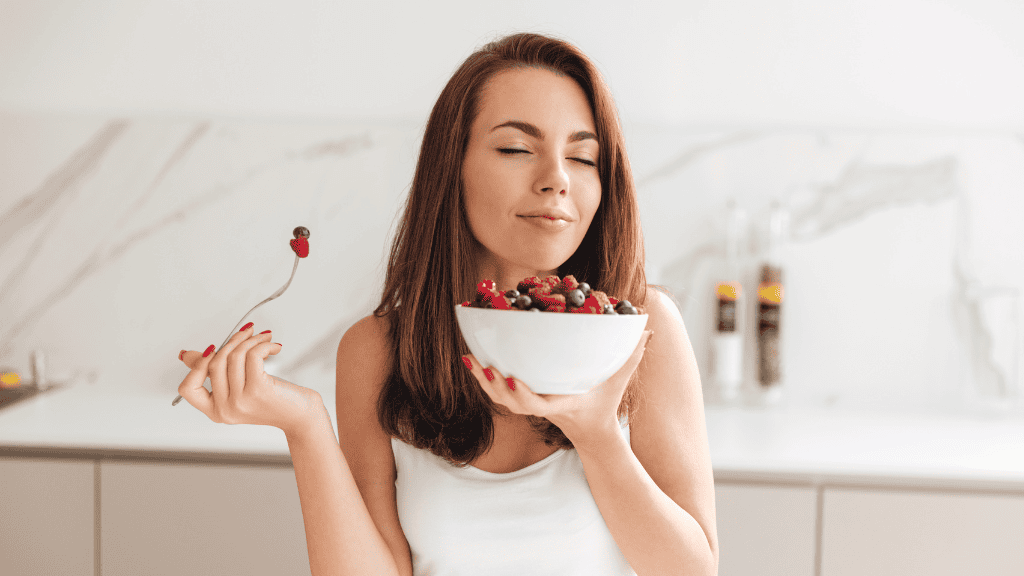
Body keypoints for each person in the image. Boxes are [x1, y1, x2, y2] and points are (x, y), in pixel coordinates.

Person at [177, 32, 718, 576]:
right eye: (516, 149)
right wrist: (305, 425)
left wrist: (598, 436)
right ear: (451, 168)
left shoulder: (643, 331)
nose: (557, 180)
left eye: (583, 157)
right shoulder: (378, 350)